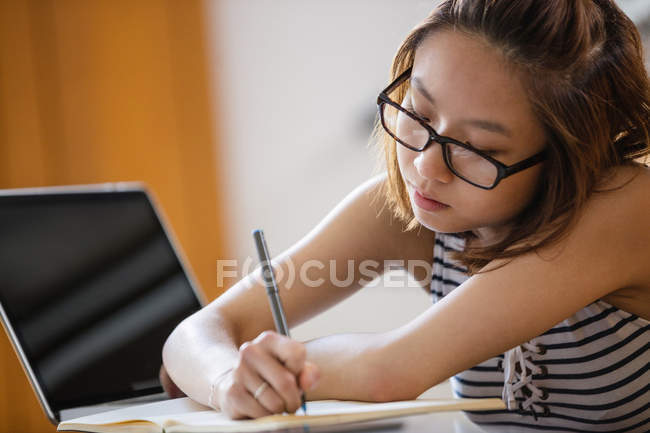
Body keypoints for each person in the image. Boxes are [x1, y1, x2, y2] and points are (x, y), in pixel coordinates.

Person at [162, 0, 650, 430]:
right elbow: (198, 333)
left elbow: (390, 372)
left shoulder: (627, 205)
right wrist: (228, 378)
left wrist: (267, 373)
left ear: (570, 155)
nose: (426, 165)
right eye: (418, 113)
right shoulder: (409, 211)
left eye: (476, 147)